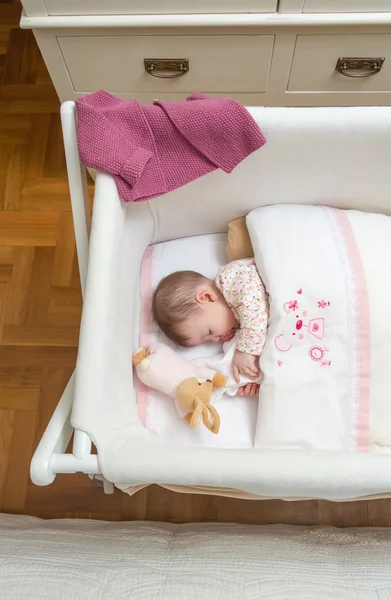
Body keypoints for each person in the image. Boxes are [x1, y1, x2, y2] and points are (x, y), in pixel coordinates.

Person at [152, 259, 268, 397]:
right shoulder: (237, 326)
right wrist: (253, 378)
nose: (215, 340)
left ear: (206, 297)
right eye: (208, 340)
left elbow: (255, 311)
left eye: (209, 332)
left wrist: (245, 351)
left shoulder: (232, 278)